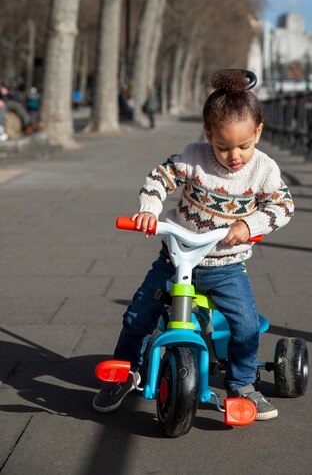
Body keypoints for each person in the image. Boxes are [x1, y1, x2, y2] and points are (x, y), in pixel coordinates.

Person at [93, 70, 294, 420]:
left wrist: (249, 225)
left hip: (225, 265)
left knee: (245, 325)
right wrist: (149, 210)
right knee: (138, 316)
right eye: (223, 146)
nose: (234, 156)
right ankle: (125, 371)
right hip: (177, 257)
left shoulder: (263, 169)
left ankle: (242, 383)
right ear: (208, 135)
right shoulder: (193, 157)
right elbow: (160, 178)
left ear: (258, 133)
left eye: (244, 145)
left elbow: (283, 205)